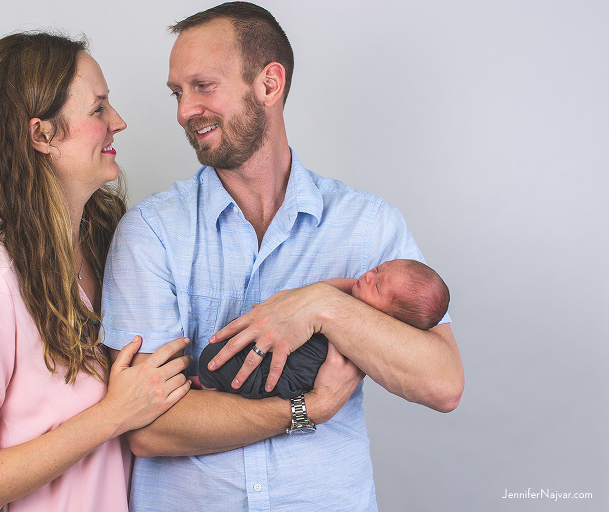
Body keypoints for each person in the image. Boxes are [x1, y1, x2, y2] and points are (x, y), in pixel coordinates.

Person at [101, 2, 464, 510]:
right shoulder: (151, 233)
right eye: (177, 94)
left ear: (269, 85)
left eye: (203, 87)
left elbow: (442, 382)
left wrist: (322, 306)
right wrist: (306, 409)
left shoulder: (368, 226)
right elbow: (148, 428)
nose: (184, 111)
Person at [0, 32, 192, 512]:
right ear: (41, 135)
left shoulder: (111, 245)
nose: (118, 122)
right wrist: (112, 415)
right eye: (98, 109)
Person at [198, 259, 450, 399]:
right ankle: (214, 384)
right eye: (377, 269)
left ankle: (213, 388)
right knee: (222, 356)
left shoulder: (375, 331)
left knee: (238, 369)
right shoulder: (355, 291)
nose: (368, 277)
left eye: (378, 287)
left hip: (308, 369)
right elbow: (321, 292)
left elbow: (446, 389)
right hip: (294, 350)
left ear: (390, 318)